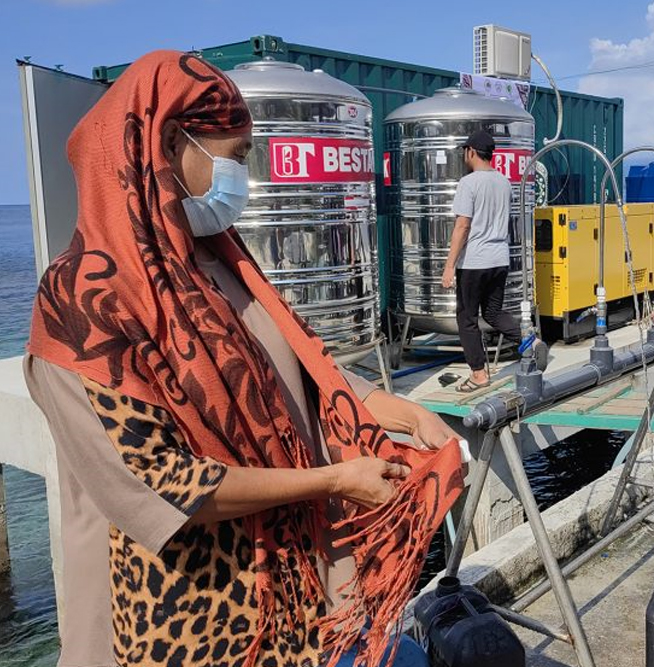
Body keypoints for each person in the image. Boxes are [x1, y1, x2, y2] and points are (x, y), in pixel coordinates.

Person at [24, 50, 464, 667]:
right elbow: (159, 484)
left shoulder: (222, 264)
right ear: (171, 142)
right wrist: (335, 479)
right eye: (233, 158)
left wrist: (404, 414)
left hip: (289, 609)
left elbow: (303, 375)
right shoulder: (82, 300)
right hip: (175, 619)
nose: (243, 179)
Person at [440, 129, 547, 392]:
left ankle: (478, 375)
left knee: (466, 318)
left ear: (472, 152)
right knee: (493, 312)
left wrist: (449, 265)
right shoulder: (503, 182)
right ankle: (529, 340)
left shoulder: (469, 183)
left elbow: (462, 226)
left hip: (474, 261)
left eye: (465, 151)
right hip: (499, 259)